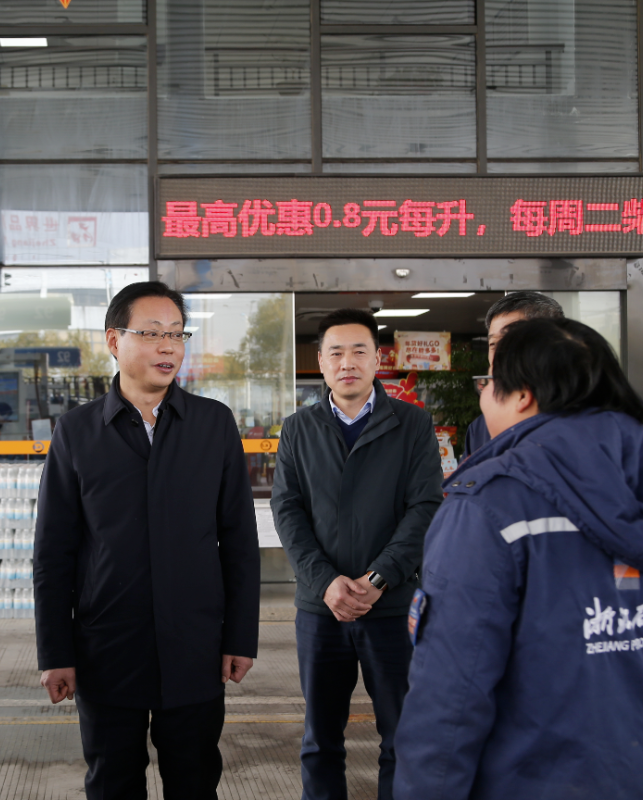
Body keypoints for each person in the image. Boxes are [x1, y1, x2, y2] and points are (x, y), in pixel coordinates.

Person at [393, 318, 643, 800]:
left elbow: (450, 698)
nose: (483, 394)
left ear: (522, 396)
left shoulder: (489, 506)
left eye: (488, 381)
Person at [34, 281, 260, 800]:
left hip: (195, 646)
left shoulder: (213, 424)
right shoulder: (76, 432)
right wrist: (56, 650)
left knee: (194, 781)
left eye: (177, 334)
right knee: (112, 782)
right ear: (114, 340)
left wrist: (239, 637)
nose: (168, 347)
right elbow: (53, 553)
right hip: (107, 647)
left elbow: (239, 543)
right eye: (153, 333)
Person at [271, 308, 443, 800]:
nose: (347, 362)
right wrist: (325, 581)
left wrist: (380, 577)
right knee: (320, 739)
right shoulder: (298, 428)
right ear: (321, 362)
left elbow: (426, 506)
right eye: (336, 353)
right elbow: (288, 510)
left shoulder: (413, 424)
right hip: (319, 609)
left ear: (377, 359)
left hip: (390, 607)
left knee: (402, 736)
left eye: (359, 351)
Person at [463, 291, 564, 457]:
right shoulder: (480, 427)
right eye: (493, 344)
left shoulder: (586, 423)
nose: (499, 355)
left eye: (511, 342)